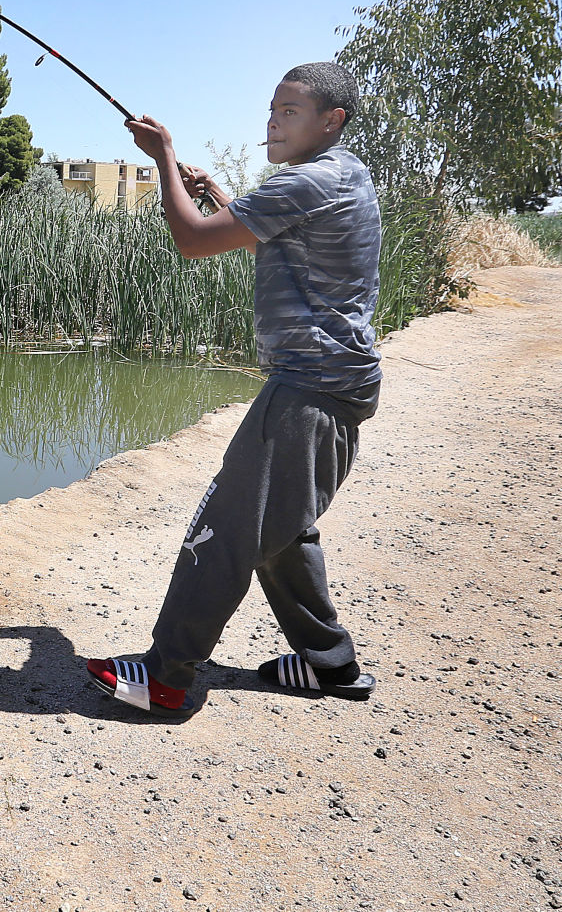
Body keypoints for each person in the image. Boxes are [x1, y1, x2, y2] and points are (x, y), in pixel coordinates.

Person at [86, 61, 382, 713]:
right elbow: (275, 249)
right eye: (272, 109)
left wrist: (163, 158)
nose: (272, 122)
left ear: (331, 120)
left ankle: (166, 676)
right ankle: (329, 664)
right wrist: (219, 195)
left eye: (290, 111)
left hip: (307, 387)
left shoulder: (306, 181)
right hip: (338, 385)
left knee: (223, 526)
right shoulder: (346, 174)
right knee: (280, 527)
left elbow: (192, 242)